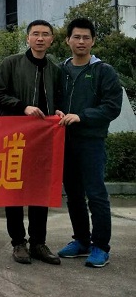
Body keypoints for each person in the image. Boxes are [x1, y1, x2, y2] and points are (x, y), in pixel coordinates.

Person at [0, 20, 63, 265]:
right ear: (27, 38)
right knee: (14, 191)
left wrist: (59, 111)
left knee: (39, 191)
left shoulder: (55, 70)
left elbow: (59, 100)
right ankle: (18, 243)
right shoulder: (11, 63)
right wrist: (23, 107)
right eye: (35, 34)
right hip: (16, 137)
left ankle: (38, 243)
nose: (40, 38)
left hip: (44, 140)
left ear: (52, 39)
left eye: (45, 34)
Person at [57, 18, 122, 268]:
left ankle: (101, 246)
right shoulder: (61, 70)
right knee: (74, 195)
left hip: (91, 142)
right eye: (76, 37)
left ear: (93, 41)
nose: (81, 41)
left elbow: (112, 107)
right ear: (68, 40)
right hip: (65, 142)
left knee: (96, 195)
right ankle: (82, 240)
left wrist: (82, 116)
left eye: (86, 37)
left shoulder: (103, 71)